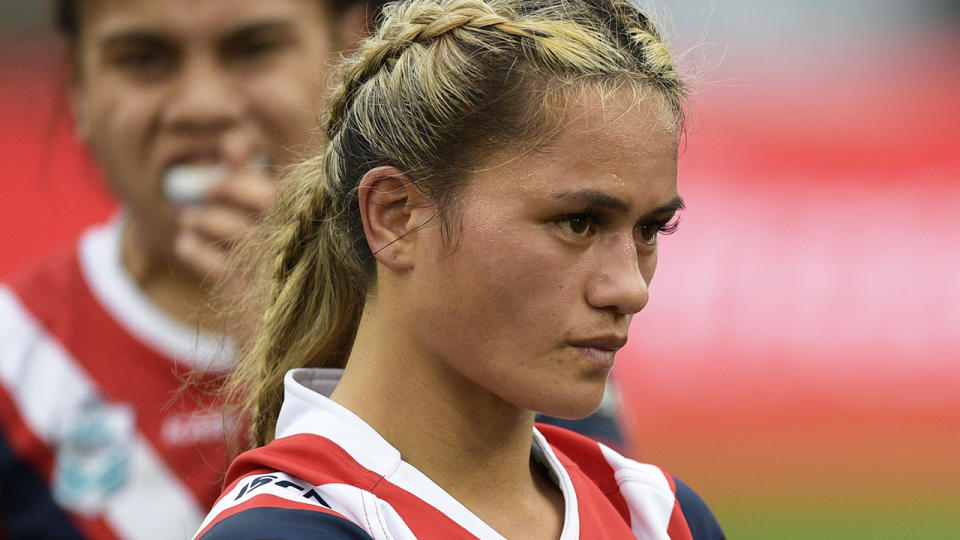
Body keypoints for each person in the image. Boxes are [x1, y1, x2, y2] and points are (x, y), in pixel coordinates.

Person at [195, 0, 725, 538]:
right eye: (578, 222)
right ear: (394, 217)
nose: (631, 289)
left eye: (649, 231)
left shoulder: (663, 518)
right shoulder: (283, 530)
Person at [0, 1, 383, 538]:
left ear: (351, 52)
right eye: (143, 58)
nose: (202, 106)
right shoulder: (14, 364)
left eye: (254, 48)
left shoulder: (450, 318)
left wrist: (304, 347)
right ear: (77, 84)